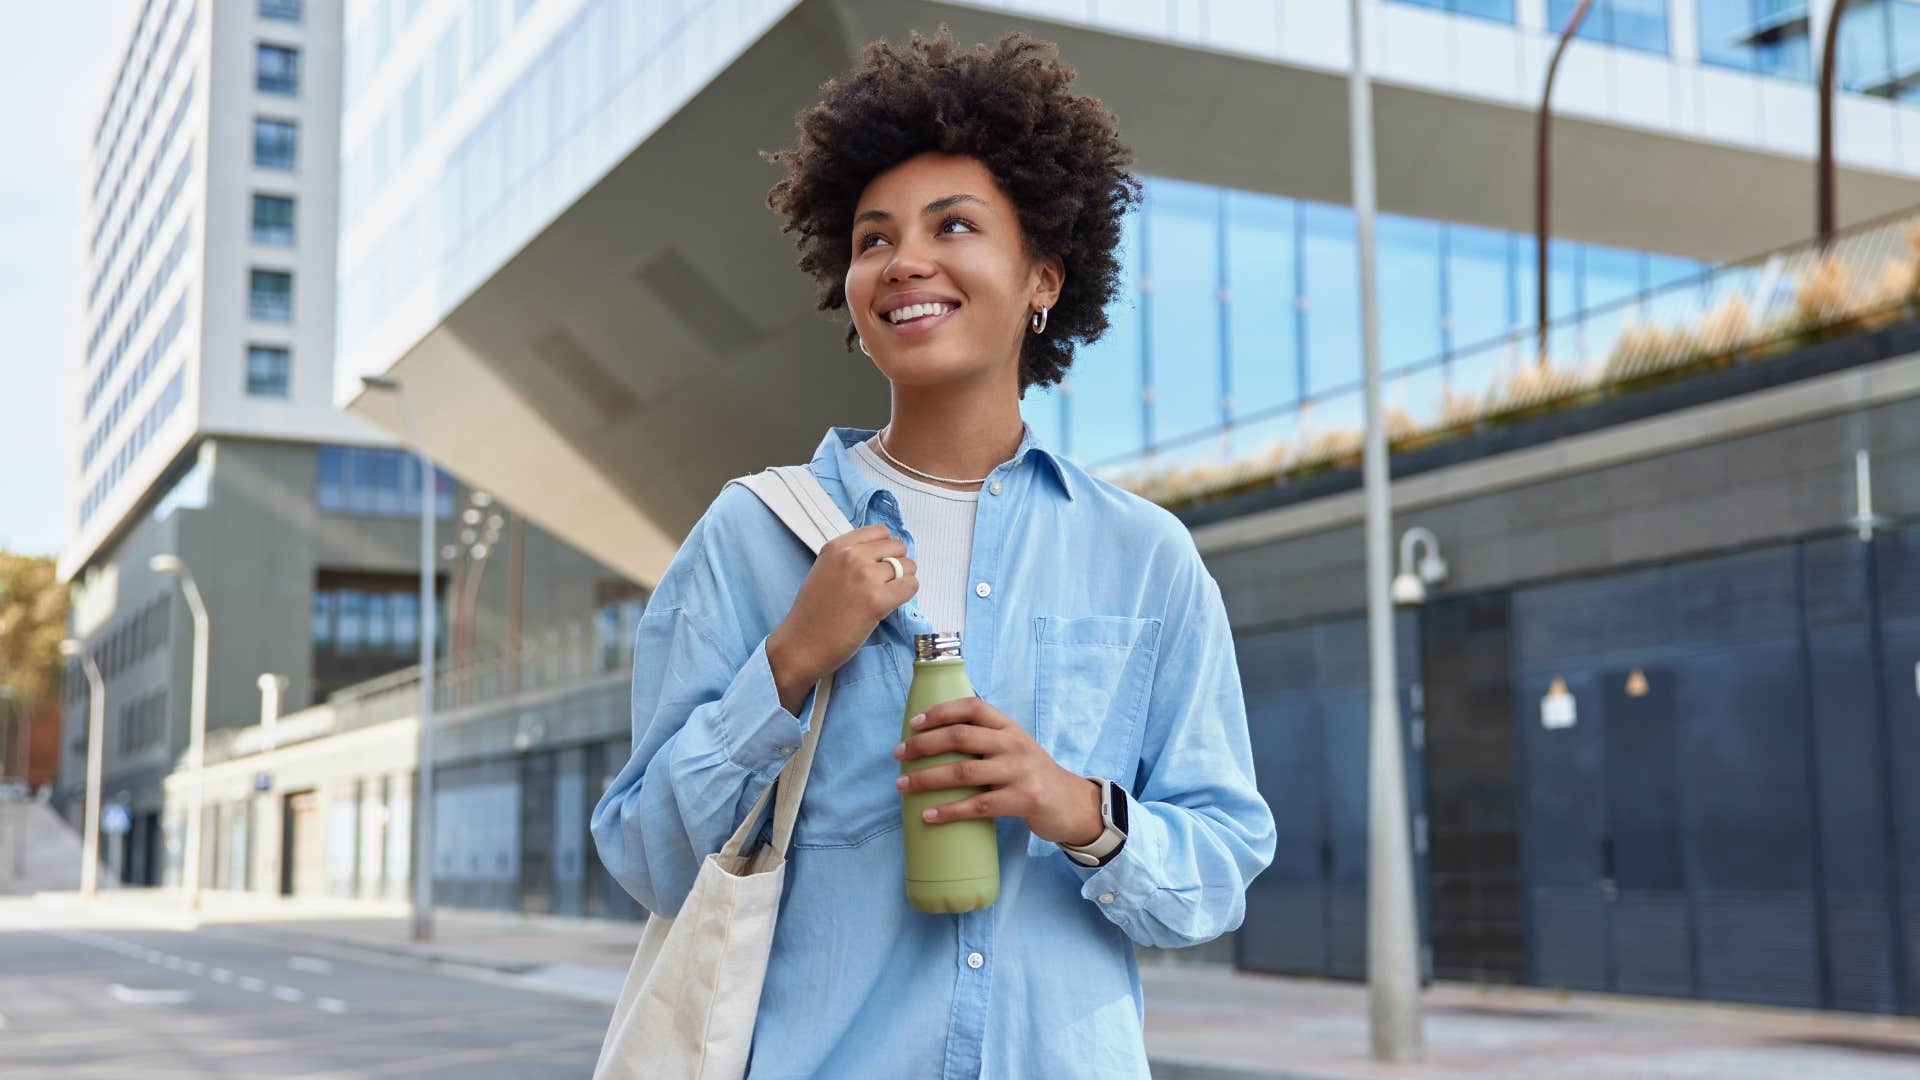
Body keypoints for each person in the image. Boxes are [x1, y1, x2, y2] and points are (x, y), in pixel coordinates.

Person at [590, 29, 1275, 1079]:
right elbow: (646, 857)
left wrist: (1076, 809)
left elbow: (1220, 870)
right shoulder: (753, 536)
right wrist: (786, 666)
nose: (905, 260)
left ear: (1043, 277)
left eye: (953, 226)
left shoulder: (1145, 557)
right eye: (874, 239)